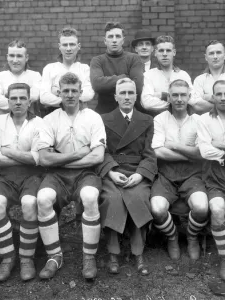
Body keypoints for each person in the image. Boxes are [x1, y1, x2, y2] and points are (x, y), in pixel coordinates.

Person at [36, 72, 106, 280]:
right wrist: (77, 154)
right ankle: (54, 256)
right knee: (43, 199)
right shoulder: (49, 119)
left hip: (86, 173)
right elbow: (44, 159)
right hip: (57, 175)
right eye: (65, 91)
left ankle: (89, 256)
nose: (69, 95)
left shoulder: (93, 117)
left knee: (90, 197)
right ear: (58, 92)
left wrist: (62, 158)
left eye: (74, 91)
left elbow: (97, 156)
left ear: (81, 93)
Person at [0, 83, 45, 282]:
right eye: (13, 98)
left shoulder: (39, 122)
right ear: (8, 101)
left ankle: (26, 258)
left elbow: (37, 159)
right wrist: (24, 156)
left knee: (29, 204)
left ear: (29, 101)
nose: (18, 102)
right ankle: (7, 257)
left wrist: (8, 151)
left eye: (22, 98)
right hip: (5, 177)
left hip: (31, 176)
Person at [97, 78, 157, 275]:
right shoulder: (103, 119)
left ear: (136, 96)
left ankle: (138, 252)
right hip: (113, 172)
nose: (126, 97)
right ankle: (113, 253)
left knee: (139, 197)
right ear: (115, 97)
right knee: (112, 199)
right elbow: (100, 151)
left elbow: (150, 154)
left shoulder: (147, 120)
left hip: (136, 171)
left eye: (130, 93)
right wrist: (111, 172)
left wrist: (141, 175)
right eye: (122, 93)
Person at [150, 79, 208, 261]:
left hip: (192, 175)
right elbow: (158, 151)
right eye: (175, 95)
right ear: (169, 97)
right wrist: (189, 153)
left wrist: (174, 145)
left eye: (183, 95)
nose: (179, 99)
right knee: (157, 209)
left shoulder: (199, 120)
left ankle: (192, 237)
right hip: (165, 174)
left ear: (189, 97)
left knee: (201, 207)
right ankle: (172, 237)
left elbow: (201, 153)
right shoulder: (160, 119)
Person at [197, 79, 225, 280]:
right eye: (219, 94)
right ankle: (224, 257)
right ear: (212, 97)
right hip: (215, 176)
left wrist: (219, 143)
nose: (223, 98)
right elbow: (205, 150)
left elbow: (213, 144)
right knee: (217, 209)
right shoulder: (204, 119)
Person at [90, 22, 144, 114]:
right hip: (104, 113)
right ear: (105, 40)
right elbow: (97, 85)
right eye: (110, 37)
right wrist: (124, 77)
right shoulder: (97, 60)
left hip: (129, 113)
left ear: (123, 40)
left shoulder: (134, 58)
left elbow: (137, 87)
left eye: (118, 36)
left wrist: (107, 82)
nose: (114, 40)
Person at [40, 27, 94, 115]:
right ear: (59, 47)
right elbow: (44, 97)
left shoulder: (84, 68)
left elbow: (88, 94)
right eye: (65, 45)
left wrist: (57, 93)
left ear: (78, 46)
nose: (68, 49)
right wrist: (74, 97)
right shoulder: (49, 68)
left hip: (79, 114)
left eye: (72, 44)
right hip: (54, 114)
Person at [141, 36, 194, 116]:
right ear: (155, 53)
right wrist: (177, 103)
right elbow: (147, 103)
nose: (164, 54)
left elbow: (192, 99)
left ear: (174, 52)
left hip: (182, 120)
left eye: (168, 50)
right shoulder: (148, 75)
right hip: (157, 122)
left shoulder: (183, 75)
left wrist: (162, 95)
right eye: (161, 51)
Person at [0, 39, 41, 115]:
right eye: (12, 56)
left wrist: (7, 97)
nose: (15, 60)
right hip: (4, 122)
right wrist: (23, 100)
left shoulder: (35, 76)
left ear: (26, 58)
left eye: (19, 56)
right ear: (7, 57)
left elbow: (35, 96)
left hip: (28, 122)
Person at [193, 40, 225, 114]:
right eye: (211, 53)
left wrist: (206, 97)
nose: (215, 56)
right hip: (206, 123)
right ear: (206, 57)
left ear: (224, 55)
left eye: (218, 52)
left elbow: (201, 104)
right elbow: (197, 106)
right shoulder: (199, 80)